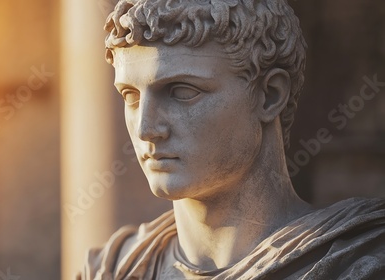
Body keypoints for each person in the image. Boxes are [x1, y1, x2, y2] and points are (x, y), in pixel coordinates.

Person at [78, 0, 385, 279]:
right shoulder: (112, 268)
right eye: (130, 96)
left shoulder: (359, 264)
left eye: (183, 92)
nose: (146, 128)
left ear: (269, 95)